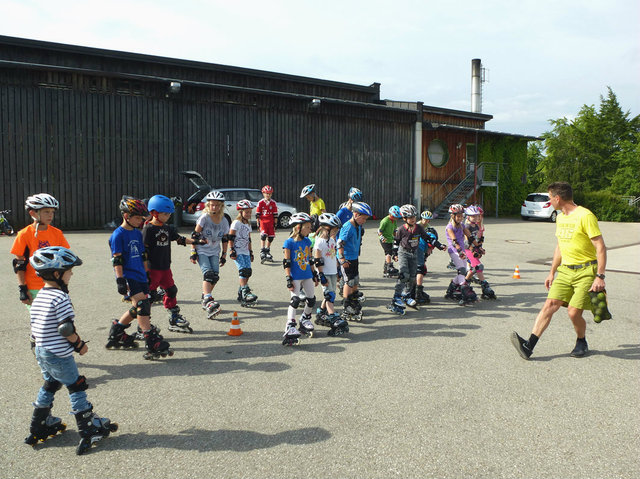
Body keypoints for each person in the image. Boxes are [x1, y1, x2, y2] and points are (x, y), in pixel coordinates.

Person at [24, 246, 117, 455]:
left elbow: (35, 325)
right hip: (58, 354)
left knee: (50, 384)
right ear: (57, 274)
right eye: (69, 270)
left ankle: (39, 423)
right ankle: (88, 428)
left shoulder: (39, 296)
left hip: (41, 350)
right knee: (76, 386)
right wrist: (79, 345)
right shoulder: (60, 297)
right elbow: (66, 328)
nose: (72, 274)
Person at [511, 181, 607, 359]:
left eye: (549, 198)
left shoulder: (585, 216)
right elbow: (560, 246)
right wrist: (551, 272)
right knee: (550, 305)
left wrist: (600, 276)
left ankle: (581, 341)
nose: (549, 201)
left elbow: (600, 246)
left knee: (573, 311)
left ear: (558, 198)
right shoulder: (561, 217)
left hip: (586, 271)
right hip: (565, 271)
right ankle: (528, 346)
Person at [106, 196, 172, 360]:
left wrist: (147, 273)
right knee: (143, 305)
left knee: (139, 307)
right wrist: (120, 279)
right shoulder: (118, 235)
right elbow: (117, 259)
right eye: (137, 218)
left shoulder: (136, 232)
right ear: (126, 216)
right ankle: (151, 340)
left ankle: (117, 331)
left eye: (141, 218)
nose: (140, 221)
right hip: (129, 276)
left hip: (141, 275)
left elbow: (143, 255)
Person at [143, 194, 205, 333]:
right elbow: (144, 252)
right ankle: (144, 326)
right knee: (150, 296)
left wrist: (196, 242)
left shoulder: (167, 228)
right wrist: (146, 271)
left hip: (165, 267)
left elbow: (179, 239)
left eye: (169, 214)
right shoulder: (149, 229)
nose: (168, 216)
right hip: (153, 269)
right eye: (165, 214)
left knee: (171, 290)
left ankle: (174, 318)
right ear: (154, 213)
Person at [11, 194, 69, 307]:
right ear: (33, 213)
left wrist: (64, 284)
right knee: (41, 322)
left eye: (52, 212)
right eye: (46, 212)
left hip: (55, 285)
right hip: (34, 288)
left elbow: (64, 260)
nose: (50, 215)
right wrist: (22, 288)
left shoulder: (57, 233)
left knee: (62, 322)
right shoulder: (24, 234)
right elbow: (19, 264)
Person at [389, 205, 444, 314]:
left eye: (414, 216)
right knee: (404, 275)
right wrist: (394, 254)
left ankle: (406, 295)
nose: (413, 219)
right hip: (403, 253)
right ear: (404, 218)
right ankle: (396, 297)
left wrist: (438, 245)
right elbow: (396, 242)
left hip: (414, 254)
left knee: (413, 277)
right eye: (410, 217)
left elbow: (427, 238)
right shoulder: (401, 229)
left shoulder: (419, 228)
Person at [190, 190, 229, 319]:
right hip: (202, 250)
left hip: (214, 251)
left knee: (215, 277)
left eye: (217, 205)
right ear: (208, 205)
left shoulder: (223, 221)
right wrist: (193, 251)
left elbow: (225, 239)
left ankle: (205, 295)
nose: (214, 207)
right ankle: (207, 299)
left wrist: (224, 255)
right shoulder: (204, 218)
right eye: (212, 205)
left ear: (221, 206)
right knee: (208, 274)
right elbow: (195, 235)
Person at [282, 212, 319, 345]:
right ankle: (290, 325)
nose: (310, 230)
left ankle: (305, 319)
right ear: (298, 228)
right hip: (295, 276)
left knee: (311, 299)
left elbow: (310, 260)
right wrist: (288, 278)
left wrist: (314, 274)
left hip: (307, 274)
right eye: (308, 227)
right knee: (295, 300)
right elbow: (286, 262)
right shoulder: (289, 243)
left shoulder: (307, 241)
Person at [313, 213, 349, 336]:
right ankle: (333, 317)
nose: (336, 232)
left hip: (333, 271)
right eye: (334, 230)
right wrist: (321, 275)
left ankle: (321, 313)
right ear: (326, 229)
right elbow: (318, 260)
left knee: (331, 293)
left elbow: (334, 257)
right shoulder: (319, 242)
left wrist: (338, 270)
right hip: (325, 273)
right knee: (329, 296)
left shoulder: (332, 240)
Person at [337, 202, 372, 321]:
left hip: (354, 257)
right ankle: (346, 305)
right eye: (364, 218)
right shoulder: (348, 227)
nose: (365, 221)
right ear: (356, 214)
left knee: (356, 279)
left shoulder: (358, 225)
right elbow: (340, 243)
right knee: (349, 281)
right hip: (346, 258)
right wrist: (342, 259)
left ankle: (353, 299)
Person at [444, 204, 483, 306]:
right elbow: (454, 241)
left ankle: (451, 289)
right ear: (453, 216)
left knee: (464, 271)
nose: (460, 218)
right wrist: (460, 251)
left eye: (461, 216)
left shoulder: (462, 225)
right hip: (454, 251)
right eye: (458, 216)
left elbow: (470, 237)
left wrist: (478, 246)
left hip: (462, 251)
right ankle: (466, 292)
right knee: (461, 270)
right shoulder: (449, 227)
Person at [229, 199, 258, 307]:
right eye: (247, 212)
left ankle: (241, 292)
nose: (249, 214)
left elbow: (248, 239)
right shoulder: (236, 223)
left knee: (248, 272)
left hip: (245, 251)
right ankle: (245, 293)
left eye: (250, 212)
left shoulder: (248, 224)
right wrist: (231, 250)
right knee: (243, 271)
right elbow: (230, 237)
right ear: (240, 212)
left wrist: (251, 252)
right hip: (237, 251)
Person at [413, 210, 446, 305]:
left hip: (420, 248)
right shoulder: (417, 225)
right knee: (420, 269)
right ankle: (417, 292)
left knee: (418, 268)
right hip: (417, 248)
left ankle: (414, 290)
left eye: (428, 220)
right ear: (421, 218)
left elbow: (431, 241)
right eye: (425, 219)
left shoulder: (429, 228)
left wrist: (429, 250)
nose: (426, 221)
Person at [463, 205, 495, 299]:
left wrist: (479, 247)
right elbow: (467, 241)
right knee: (478, 266)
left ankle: (463, 284)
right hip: (467, 249)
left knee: (474, 269)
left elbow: (477, 239)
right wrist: (474, 250)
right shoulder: (466, 226)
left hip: (474, 248)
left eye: (477, 216)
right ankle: (485, 287)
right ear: (468, 216)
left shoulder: (476, 226)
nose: (476, 218)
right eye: (474, 216)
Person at [256, 185, 278, 263]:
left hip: (271, 222)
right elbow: (257, 215)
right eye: (266, 193)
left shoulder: (273, 203)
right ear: (263, 193)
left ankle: (267, 250)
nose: (268, 195)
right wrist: (258, 224)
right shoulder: (260, 202)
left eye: (269, 193)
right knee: (263, 236)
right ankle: (262, 250)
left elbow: (275, 215)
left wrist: (275, 224)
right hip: (263, 222)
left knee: (271, 237)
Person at [378, 205, 402, 278]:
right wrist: (382, 237)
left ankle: (386, 270)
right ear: (391, 214)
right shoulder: (385, 221)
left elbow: (394, 231)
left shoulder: (394, 221)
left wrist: (397, 238)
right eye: (395, 216)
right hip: (384, 239)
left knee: (391, 252)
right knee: (388, 253)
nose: (396, 218)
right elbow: (379, 231)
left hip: (390, 239)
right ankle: (389, 267)